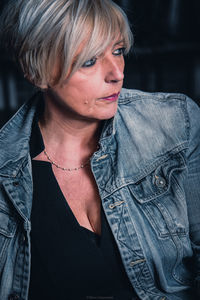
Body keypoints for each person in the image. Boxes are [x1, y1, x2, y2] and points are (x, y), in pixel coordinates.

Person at [0, 0, 200, 299]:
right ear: (36, 71)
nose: (116, 73)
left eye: (118, 51)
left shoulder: (173, 123)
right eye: (89, 61)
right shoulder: (6, 168)